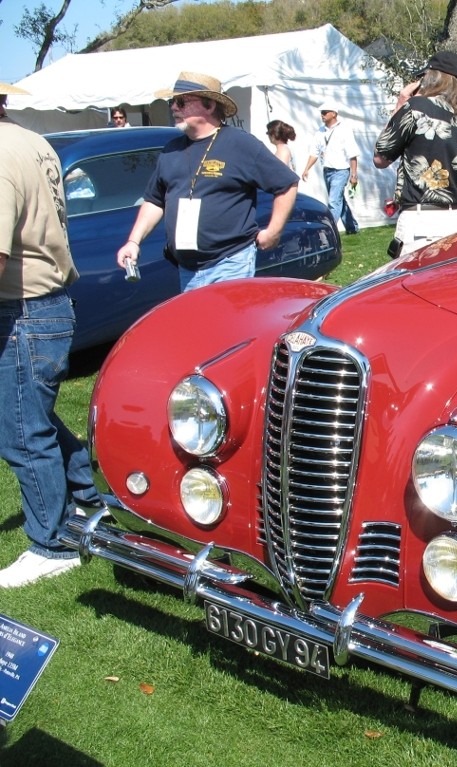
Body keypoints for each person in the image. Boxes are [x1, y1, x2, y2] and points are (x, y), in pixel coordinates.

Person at [0, 83, 102, 588]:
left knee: (21, 431)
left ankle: (51, 541)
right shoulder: (31, 141)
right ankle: (88, 494)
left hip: (22, 306)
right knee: (31, 417)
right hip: (46, 302)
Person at [115, 71, 298, 292]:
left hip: (230, 264)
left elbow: (286, 184)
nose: (174, 107)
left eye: (181, 101)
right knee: (198, 327)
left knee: (227, 327)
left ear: (209, 106)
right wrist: (133, 242)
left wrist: (273, 231)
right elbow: (155, 200)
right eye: (172, 101)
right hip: (187, 268)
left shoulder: (240, 144)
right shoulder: (171, 150)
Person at [373, 51, 457, 257]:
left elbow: (380, 158)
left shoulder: (415, 108)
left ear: (431, 77)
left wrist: (400, 105)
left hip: (419, 221)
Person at [301, 101, 359, 234]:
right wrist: (306, 169)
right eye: (321, 112)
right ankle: (352, 227)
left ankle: (329, 230)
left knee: (333, 201)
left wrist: (353, 175)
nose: (322, 115)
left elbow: (353, 153)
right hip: (327, 170)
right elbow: (314, 152)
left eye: (325, 112)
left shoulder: (344, 129)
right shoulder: (320, 132)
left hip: (341, 170)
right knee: (339, 200)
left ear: (334, 114)